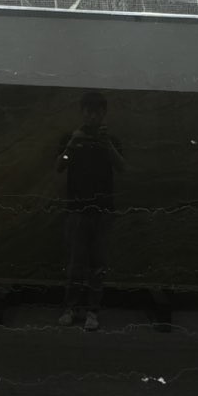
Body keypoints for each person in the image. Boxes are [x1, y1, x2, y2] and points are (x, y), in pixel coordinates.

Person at [56, 92, 124, 331]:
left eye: (97, 112)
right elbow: (59, 165)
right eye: (89, 112)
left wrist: (108, 145)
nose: (92, 116)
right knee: (75, 263)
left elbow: (122, 167)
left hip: (103, 210)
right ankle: (71, 308)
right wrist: (71, 145)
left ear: (103, 113)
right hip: (77, 209)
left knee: (98, 264)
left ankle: (93, 311)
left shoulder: (110, 139)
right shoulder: (71, 138)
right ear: (82, 112)